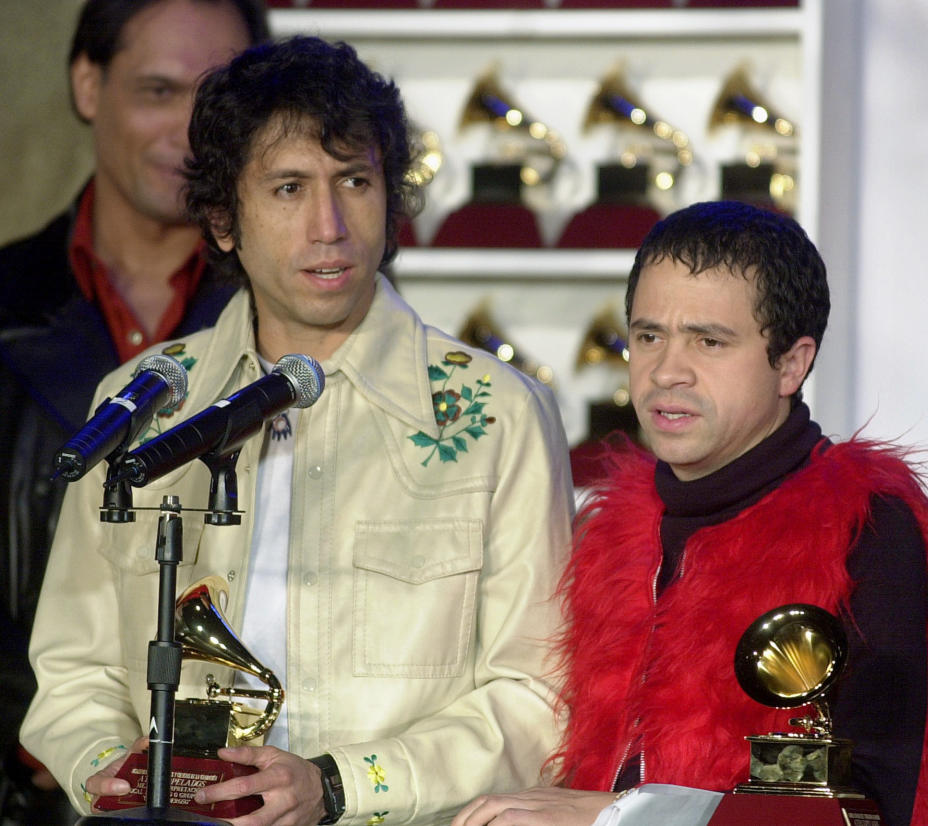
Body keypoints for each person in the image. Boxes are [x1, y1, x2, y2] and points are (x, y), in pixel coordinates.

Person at [21, 35, 574, 826]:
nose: (329, 225)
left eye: (354, 181)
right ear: (221, 219)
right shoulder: (148, 402)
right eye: (287, 188)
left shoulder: (495, 413)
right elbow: (72, 667)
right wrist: (105, 769)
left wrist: (338, 784)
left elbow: (536, 699)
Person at [452, 201, 928, 826]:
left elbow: (870, 811)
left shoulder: (867, 523)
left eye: (709, 341)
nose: (666, 371)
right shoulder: (611, 530)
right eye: (648, 336)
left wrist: (616, 816)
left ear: (792, 364)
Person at [0, 1, 269, 822]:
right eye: (158, 90)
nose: (190, 132)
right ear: (88, 83)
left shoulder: (298, 335)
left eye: (216, 98)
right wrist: (42, 738)